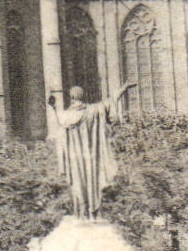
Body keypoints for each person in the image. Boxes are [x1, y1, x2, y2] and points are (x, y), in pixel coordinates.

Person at [47, 82, 132, 220]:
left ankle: (81, 214)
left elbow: (59, 119)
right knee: (93, 180)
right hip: (92, 156)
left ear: (72, 97)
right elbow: (110, 101)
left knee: (78, 183)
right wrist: (122, 89)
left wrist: (53, 106)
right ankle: (94, 213)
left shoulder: (68, 115)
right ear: (83, 96)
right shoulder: (94, 110)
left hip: (76, 158)